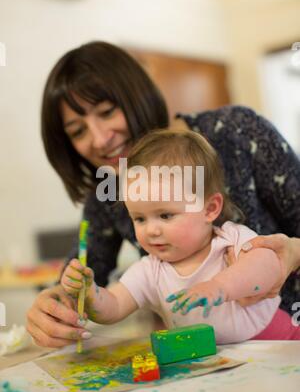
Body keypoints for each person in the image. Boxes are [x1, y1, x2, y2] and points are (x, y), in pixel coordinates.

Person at [26, 41, 300, 347]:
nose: (100, 140)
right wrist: (59, 301)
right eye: (77, 131)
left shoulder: (237, 132)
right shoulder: (108, 187)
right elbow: (90, 282)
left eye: (107, 111)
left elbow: (262, 259)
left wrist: (293, 252)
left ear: (212, 208)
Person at [61, 130, 300, 343]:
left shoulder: (229, 240)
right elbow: (114, 306)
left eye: (165, 215)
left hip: (281, 344)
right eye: (140, 219)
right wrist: (90, 293)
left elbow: (269, 263)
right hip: (224, 368)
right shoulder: (149, 271)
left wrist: (219, 286)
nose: (151, 230)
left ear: (209, 209)